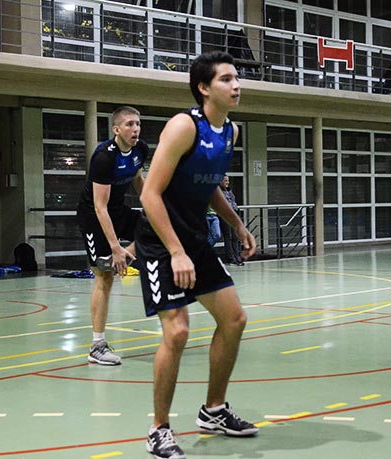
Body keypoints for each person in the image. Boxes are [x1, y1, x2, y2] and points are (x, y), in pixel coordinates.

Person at [135, 51, 259, 459]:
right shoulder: (184, 127)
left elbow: (209, 188)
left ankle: (214, 410)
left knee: (234, 319)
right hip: (159, 240)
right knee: (178, 331)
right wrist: (175, 251)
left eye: (237, 78)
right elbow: (149, 194)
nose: (236, 85)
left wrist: (237, 224)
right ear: (205, 88)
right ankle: (158, 429)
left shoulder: (231, 133)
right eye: (226, 79)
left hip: (194, 239)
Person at [76, 106, 148, 366]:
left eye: (137, 124)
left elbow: (139, 181)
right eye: (129, 124)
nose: (135, 129)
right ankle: (97, 346)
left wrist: (154, 208)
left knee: (156, 229)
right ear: (117, 129)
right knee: (104, 277)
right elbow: (99, 206)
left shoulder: (141, 150)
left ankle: (124, 258)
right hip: (94, 216)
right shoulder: (104, 158)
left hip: (118, 211)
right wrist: (116, 247)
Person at [219, 175, 244, 265]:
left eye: (228, 180)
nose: (227, 182)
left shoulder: (229, 191)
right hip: (225, 216)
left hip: (233, 216)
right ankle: (231, 258)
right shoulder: (219, 192)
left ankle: (237, 257)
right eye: (225, 180)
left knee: (235, 236)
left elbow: (233, 203)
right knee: (228, 236)